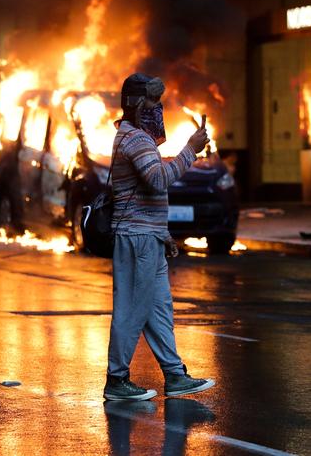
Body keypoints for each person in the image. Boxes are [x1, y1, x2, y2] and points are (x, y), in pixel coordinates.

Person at [104, 73, 215, 401]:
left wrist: (162, 233)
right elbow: (157, 179)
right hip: (137, 238)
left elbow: (147, 194)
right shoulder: (136, 139)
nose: (158, 109)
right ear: (137, 105)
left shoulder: (137, 137)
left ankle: (175, 375)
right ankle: (117, 379)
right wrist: (190, 151)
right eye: (153, 102)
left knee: (159, 308)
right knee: (132, 309)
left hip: (147, 237)